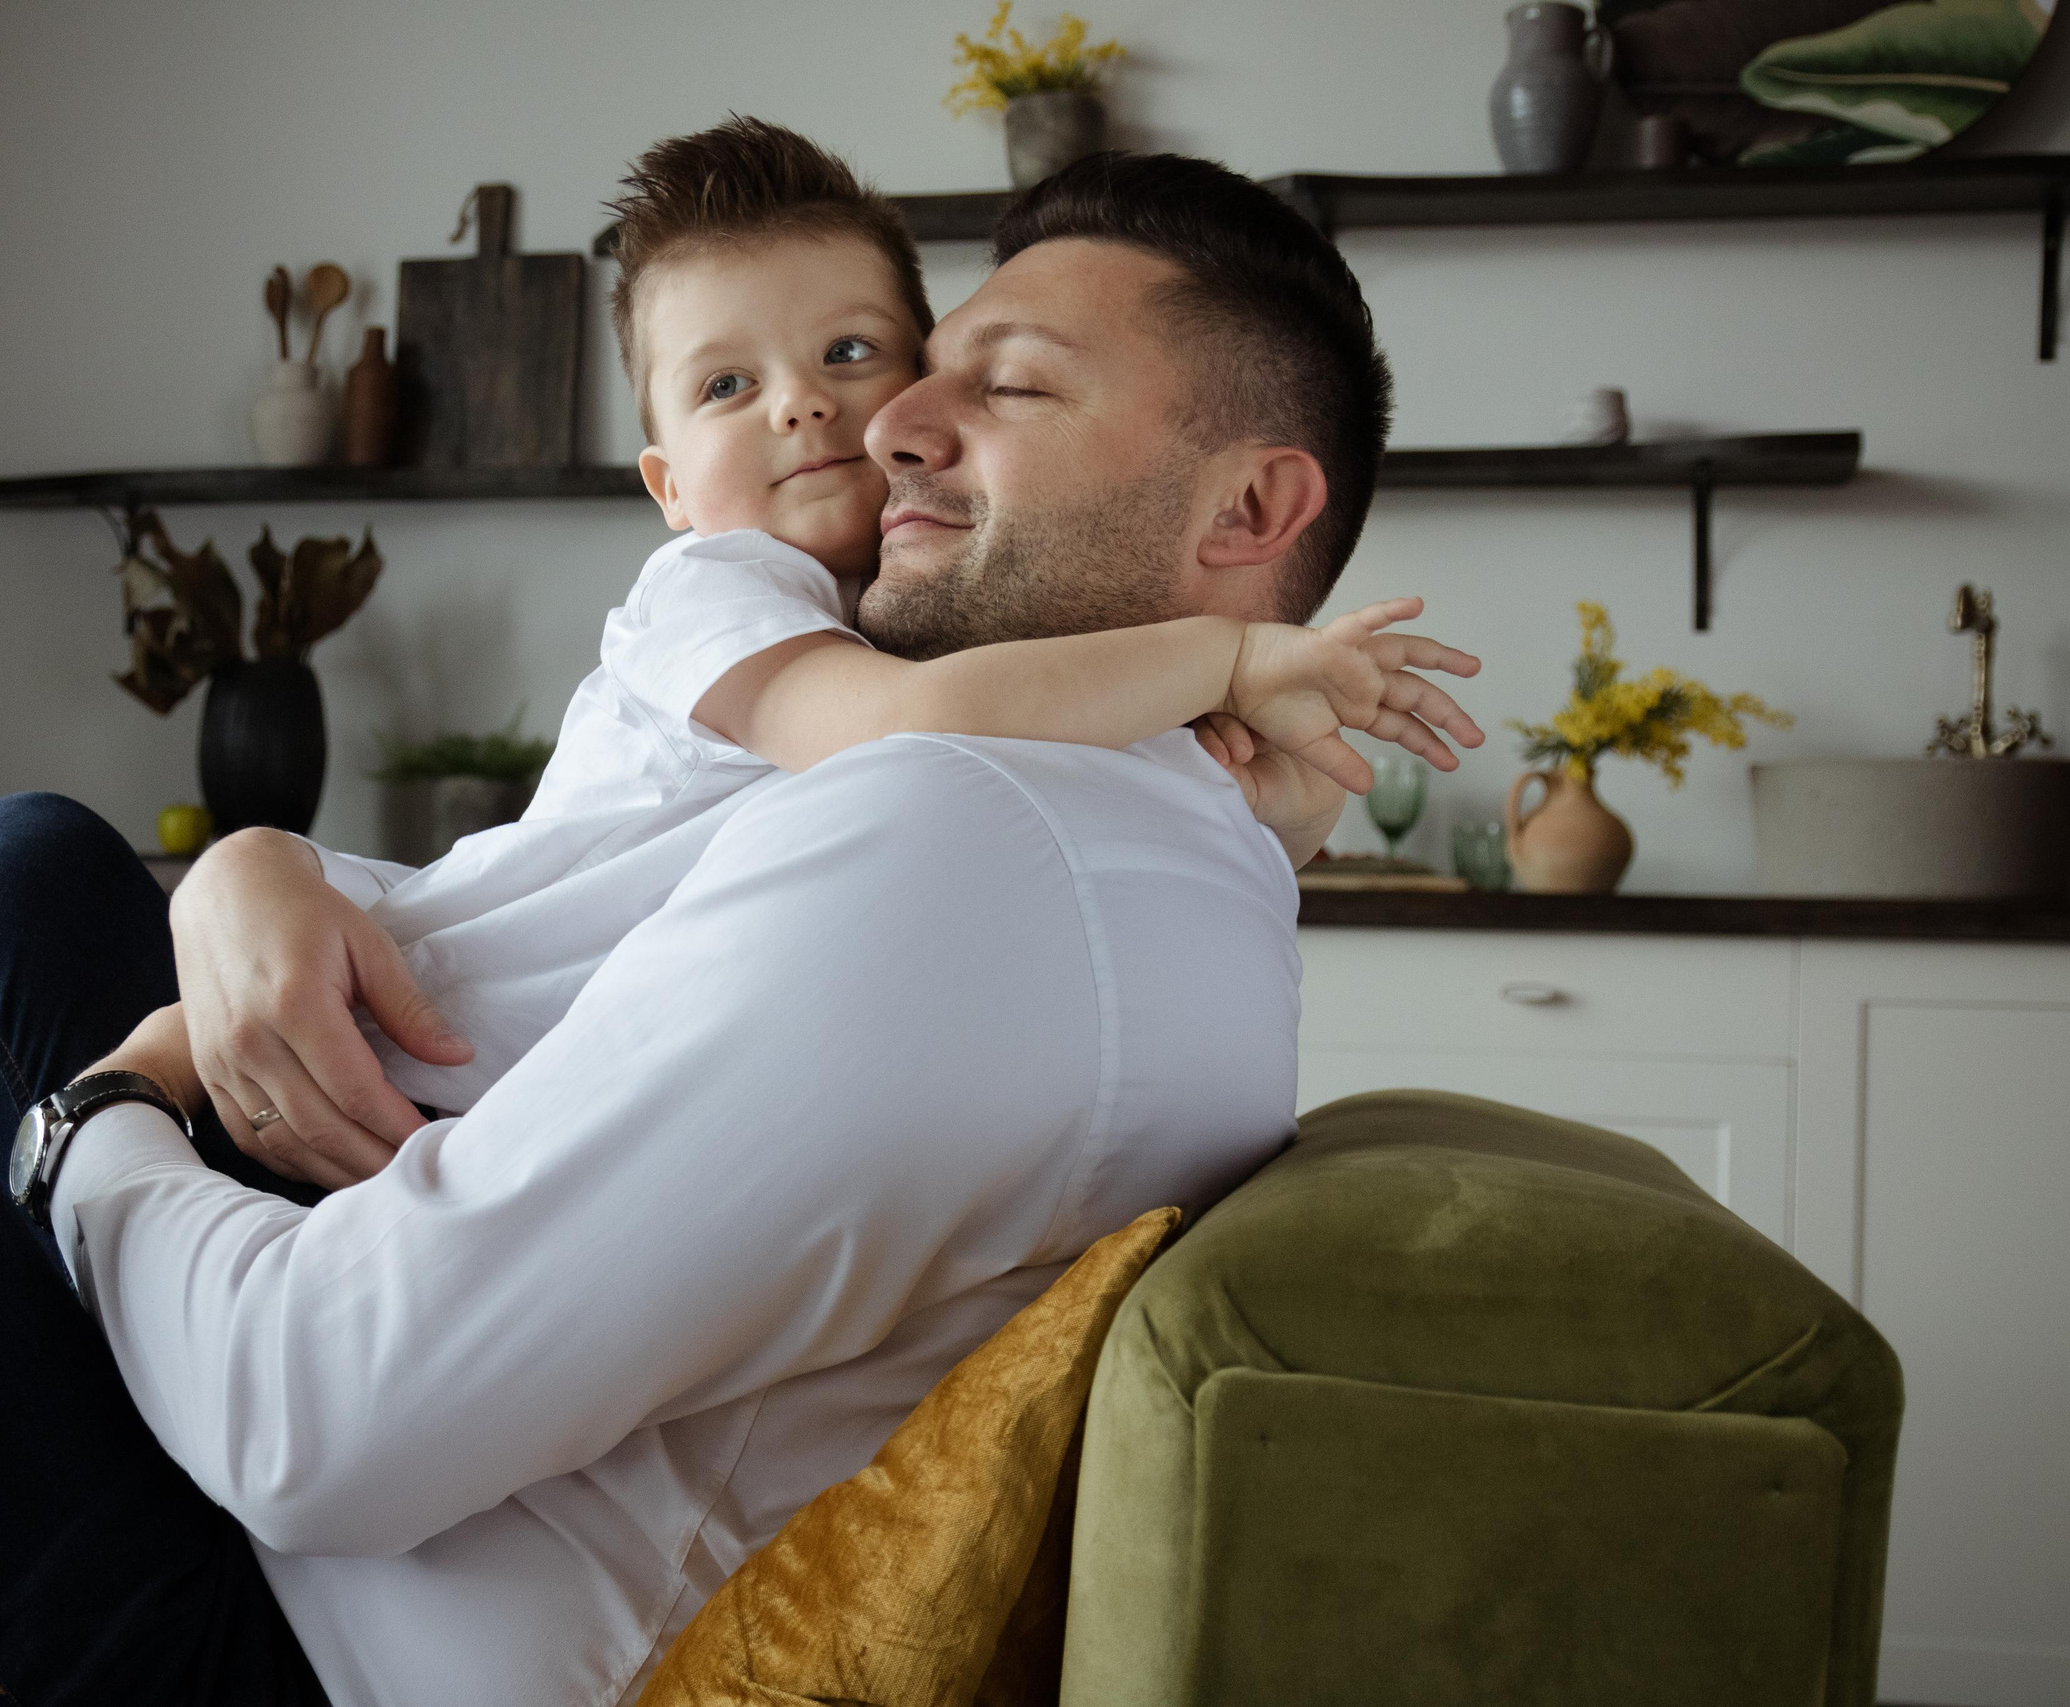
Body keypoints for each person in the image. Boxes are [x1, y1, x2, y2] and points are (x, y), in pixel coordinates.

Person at [0, 145, 1433, 1705]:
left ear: (1252, 507)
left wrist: (89, 1119)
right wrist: (253, 873)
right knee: (22, 870)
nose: (896, 426)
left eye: (1004, 385)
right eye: (926, 364)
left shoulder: (977, 829)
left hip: (236, 1643)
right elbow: (537, 925)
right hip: (296, 1507)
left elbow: (320, 1420)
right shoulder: (1151, 836)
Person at [315, 120, 1478, 1116]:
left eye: (853, 353)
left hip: (458, 1085)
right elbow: (912, 722)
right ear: (668, 490)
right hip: (398, 1056)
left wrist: (1277, 820)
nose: (822, 408)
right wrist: (1227, 661)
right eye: (727, 385)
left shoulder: (984, 709)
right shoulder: (719, 591)